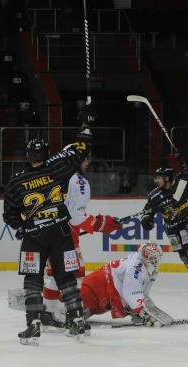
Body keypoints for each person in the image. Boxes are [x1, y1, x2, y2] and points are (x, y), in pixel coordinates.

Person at [3, 137, 94, 345]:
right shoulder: (58, 169)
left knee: (32, 279)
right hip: (61, 232)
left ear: (28, 156)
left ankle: (33, 324)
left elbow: (9, 214)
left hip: (33, 236)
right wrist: (85, 131)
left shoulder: (16, 180)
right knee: (66, 277)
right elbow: (79, 150)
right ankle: (78, 320)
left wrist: (20, 226)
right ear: (46, 153)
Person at [39, 129, 122, 329]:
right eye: (84, 159)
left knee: (52, 273)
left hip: (44, 232)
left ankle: (48, 312)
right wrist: (102, 224)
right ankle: (72, 314)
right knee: (76, 273)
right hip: (65, 236)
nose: (87, 163)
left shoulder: (50, 175)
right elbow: (76, 218)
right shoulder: (79, 182)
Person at [41, 242, 171, 327]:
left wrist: (142, 307)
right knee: (70, 313)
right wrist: (141, 310)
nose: (153, 260)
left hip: (103, 297)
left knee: (82, 315)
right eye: (151, 257)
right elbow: (132, 291)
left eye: (155, 257)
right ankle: (44, 304)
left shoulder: (150, 269)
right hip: (94, 289)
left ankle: (51, 301)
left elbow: (139, 291)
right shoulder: (136, 265)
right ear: (143, 255)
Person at [141, 165, 188, 288]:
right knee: (184, 257)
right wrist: (146, 219)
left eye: (158, 178)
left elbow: (187, 172)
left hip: (186, 222)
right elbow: (147, 211)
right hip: (171, 228)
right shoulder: (154, 195)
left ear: (167, 178)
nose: (156, 181)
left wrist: (186, 165)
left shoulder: (180, 184)